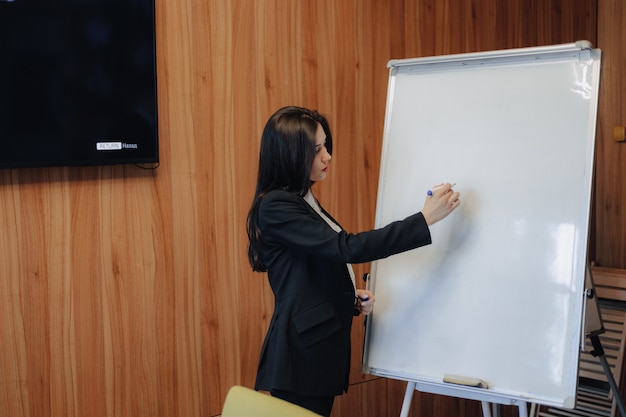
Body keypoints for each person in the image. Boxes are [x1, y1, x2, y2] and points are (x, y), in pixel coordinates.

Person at [246, 105, 460, 416]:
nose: (327, 156)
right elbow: (347, 248)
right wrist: (423, 220)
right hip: (299, 357)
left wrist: (351, 299)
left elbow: (313, 269)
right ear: (290, 154)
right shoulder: (277, 204)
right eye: (316, 149)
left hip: (315, 354)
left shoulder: (304, 200)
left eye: (326, 145)